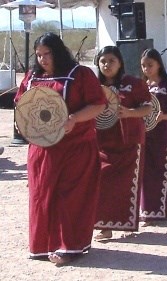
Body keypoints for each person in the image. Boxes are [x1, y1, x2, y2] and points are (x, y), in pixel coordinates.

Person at [14, 32, 106, 265]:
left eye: (48, 54)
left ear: (58, 52)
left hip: (75, 148)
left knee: (71, 197)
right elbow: (22, 104)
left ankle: (70, 247)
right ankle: (43, 245)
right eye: (39, 55)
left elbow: (98, 104)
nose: (43, 59)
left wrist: (74, 118)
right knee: (42, 196)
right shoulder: (32, 77)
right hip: (42, 149)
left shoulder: (80, 74)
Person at [94, 46, 152, 239]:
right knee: (102, 182)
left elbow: (147, 109)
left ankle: (127, 225)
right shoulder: (93, 86)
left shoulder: (133, 83)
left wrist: (129, 113)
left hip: (129, 141)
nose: (107, 65)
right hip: (102, 142)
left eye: (111, 61)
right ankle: (105, 227)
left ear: (120, 63)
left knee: (127, 184)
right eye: (103, 61)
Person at [140, 48, 167, 225]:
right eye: (143, 66)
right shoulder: (142, 86)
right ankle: (149, 210)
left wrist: (163, 116)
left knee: (163, 169)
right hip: (144, 134)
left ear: (158, 65)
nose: (146, 69)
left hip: (162, 134)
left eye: (150, 65)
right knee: (146, 173)